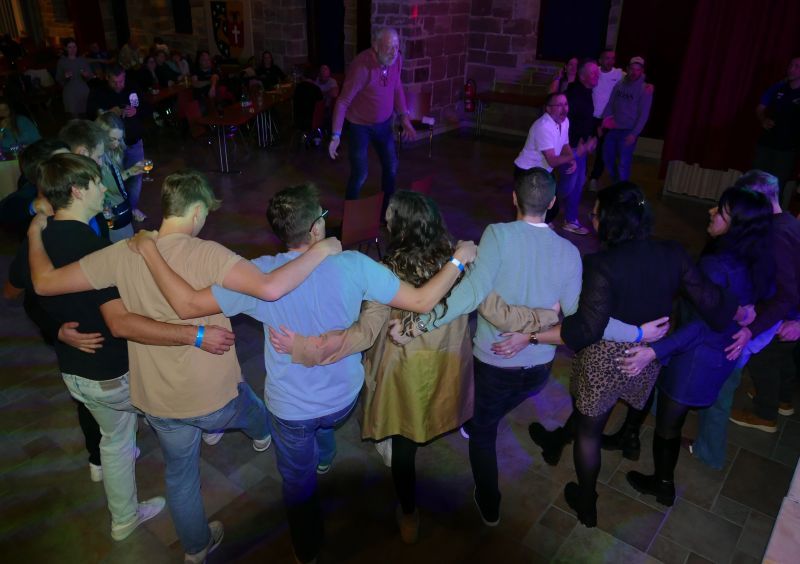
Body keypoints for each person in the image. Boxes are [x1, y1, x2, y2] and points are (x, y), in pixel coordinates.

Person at [121, 183, 476, 563]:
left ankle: (307, 551)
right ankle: (326, 455)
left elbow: (188, 304)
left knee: (297, 483)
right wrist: (457, 260)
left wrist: (150, 251)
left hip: (291, 411)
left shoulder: (257, 274)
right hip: (343, 399)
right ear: (316, 228)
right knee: (325, 428)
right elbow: (422, 299)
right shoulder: (355, 265)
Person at [26, 169, 343, 562]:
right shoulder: (209, 253)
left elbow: (43, 283)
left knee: (180, 474)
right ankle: (269, 438)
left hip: (158, 401)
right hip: (213, 396)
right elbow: (270, 287)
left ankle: (195, 548)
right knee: (255, 410)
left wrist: (34, 232)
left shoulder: (121, 251)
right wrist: (321, 250)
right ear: (196, 211)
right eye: (205, 213)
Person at [267, 190, 557, 544]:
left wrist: (304, 347)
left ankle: (408, 515)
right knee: (423, 432)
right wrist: (545, 318)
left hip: (402, 374)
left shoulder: (383, 272)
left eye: (390, 215)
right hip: (446, 368)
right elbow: (500, 312)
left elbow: (362, 334)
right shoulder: (462, 265)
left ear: (402, 227)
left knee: (403, 447)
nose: (385, 220)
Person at [13, 153, 243, 540]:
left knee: (116, 440)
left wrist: (55, 328)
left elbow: (31, 289)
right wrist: (195, 335)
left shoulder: (41, 237)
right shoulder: (92, 247)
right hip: (110, 371)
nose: (103, 188)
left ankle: (123, 518)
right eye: (96, 182)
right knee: (173, 413)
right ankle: (211, 426)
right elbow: (120, 323)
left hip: (74, 372)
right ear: (77, 191)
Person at [527, 182, 739, 528]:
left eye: (596, 215)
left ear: (611, 222)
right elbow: (714, 306)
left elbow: (585, 331)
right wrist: (743, 308)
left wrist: (543, 328)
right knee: (598, 412)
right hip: (647, 355)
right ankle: (571, 440)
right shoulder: (674, 253)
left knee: (590, 430)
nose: (593, 219)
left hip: (605, 358)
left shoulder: (600, 264)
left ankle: (586, 503)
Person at [617, 186, 774, 506]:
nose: (711, 212)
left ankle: (662, 484)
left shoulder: (717, 266)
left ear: (737, 225)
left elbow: (698, 327)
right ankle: (635, 445)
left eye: (721, 211)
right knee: (668, 415)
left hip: (696, 357)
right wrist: (748, 323)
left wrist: (654, 351)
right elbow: (761, 298)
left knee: (668, 425)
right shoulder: (755, 259)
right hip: (720, 354)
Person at [727, 170, 800, 432]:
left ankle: (765, 414)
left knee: (764, 360)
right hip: (792, 312)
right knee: (783, 359)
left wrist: (753, 329)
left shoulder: (774, 235)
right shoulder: (788, 220)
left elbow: (786, 293)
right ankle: (782, 400)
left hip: (787, 313)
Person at [329, 27, 416, 216]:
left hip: (384, 124)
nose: (394, 52)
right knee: (360, 173)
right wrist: (336, 135)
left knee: (391, 166)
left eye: (396, 46)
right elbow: (343, 101)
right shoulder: (362, 67)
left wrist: (404, 117)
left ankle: (386, 214)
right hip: (360, 126)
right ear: (375, 46)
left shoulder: (396, 60)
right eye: (389, 47)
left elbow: (397, 87)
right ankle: (349, 219)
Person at [86, 65, 149, 222]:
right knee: (113, 179)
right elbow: (90, 115)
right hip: (110, 148)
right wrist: (108, 112)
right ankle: (115, 213)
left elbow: (147, 108)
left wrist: (136, 111)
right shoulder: (98, 92)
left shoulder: (133, 87)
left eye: (121, 81)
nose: (119, 85)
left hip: (133, 141)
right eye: (115, 82)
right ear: (107, 78)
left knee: (136, 178)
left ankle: (132, 208)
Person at [556, 60, 599, 235]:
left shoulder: (587, 92)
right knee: (567, 185)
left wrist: (592, 136)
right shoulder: (573, 95)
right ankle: (542, 210)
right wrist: (573, 146)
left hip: (579, 147)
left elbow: (585, 119)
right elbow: (564, 122)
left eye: (597, 72)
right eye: (593, 73)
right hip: (571, 147)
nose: (597, 75)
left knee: (577, 184)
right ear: (582, 76)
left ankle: (570, 219)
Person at [752, 56, 800, 210]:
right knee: (756, 183)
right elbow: (760, 108)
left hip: (786, 149)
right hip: (766, 144)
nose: (791, 69)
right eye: (791, 65)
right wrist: (763, 119)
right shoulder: (778, 87)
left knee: (775, 187)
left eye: (797, 66)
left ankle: (771, 219)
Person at [600, 57, 653, 182]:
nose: (634, 72)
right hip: (614, 128)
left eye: (638, 70)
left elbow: (644, 115)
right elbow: (610, 104)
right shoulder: (619, 84)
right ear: (628, 69)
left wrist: (634, 134)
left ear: (642, 71)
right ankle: (617, 183)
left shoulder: (645, 89)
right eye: (632, 69)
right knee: (607, 156)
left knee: (624, 163)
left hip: (628, 131)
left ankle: (622, 188)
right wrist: (604, 122)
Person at [96, 111, 145, 241]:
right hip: (111, 216)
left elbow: (115, 182)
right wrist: (129, 172)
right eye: (112, 139)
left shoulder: (113, 153)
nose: (117, 144)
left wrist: (132, 171)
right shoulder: (98, 159)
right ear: (101, 136)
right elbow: (111, 186)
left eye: (119, 139)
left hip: (121, 211)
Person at [589, 49, 625, 190]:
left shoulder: (619, 74)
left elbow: (635, 79)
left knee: (602, 151)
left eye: (612, 58)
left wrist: (647, 85)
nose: (610, 61)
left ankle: (594, 178)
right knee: (585, 147)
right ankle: (580, 175)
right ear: (600, 60)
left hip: (607, 119)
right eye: (607, 58)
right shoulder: (594, 72)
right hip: (591, 117)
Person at [56, 38, 92, 117]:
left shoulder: (82, 60)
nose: (73, 49)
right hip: (70, 92)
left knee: (88, 115)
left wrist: (86, 75)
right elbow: (58, 79)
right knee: (75, 118)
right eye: (70, 47)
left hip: (83, 90)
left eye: (74, 47)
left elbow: (90, 76)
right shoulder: (62, 62)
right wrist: (65, 76)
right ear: (65, 48)